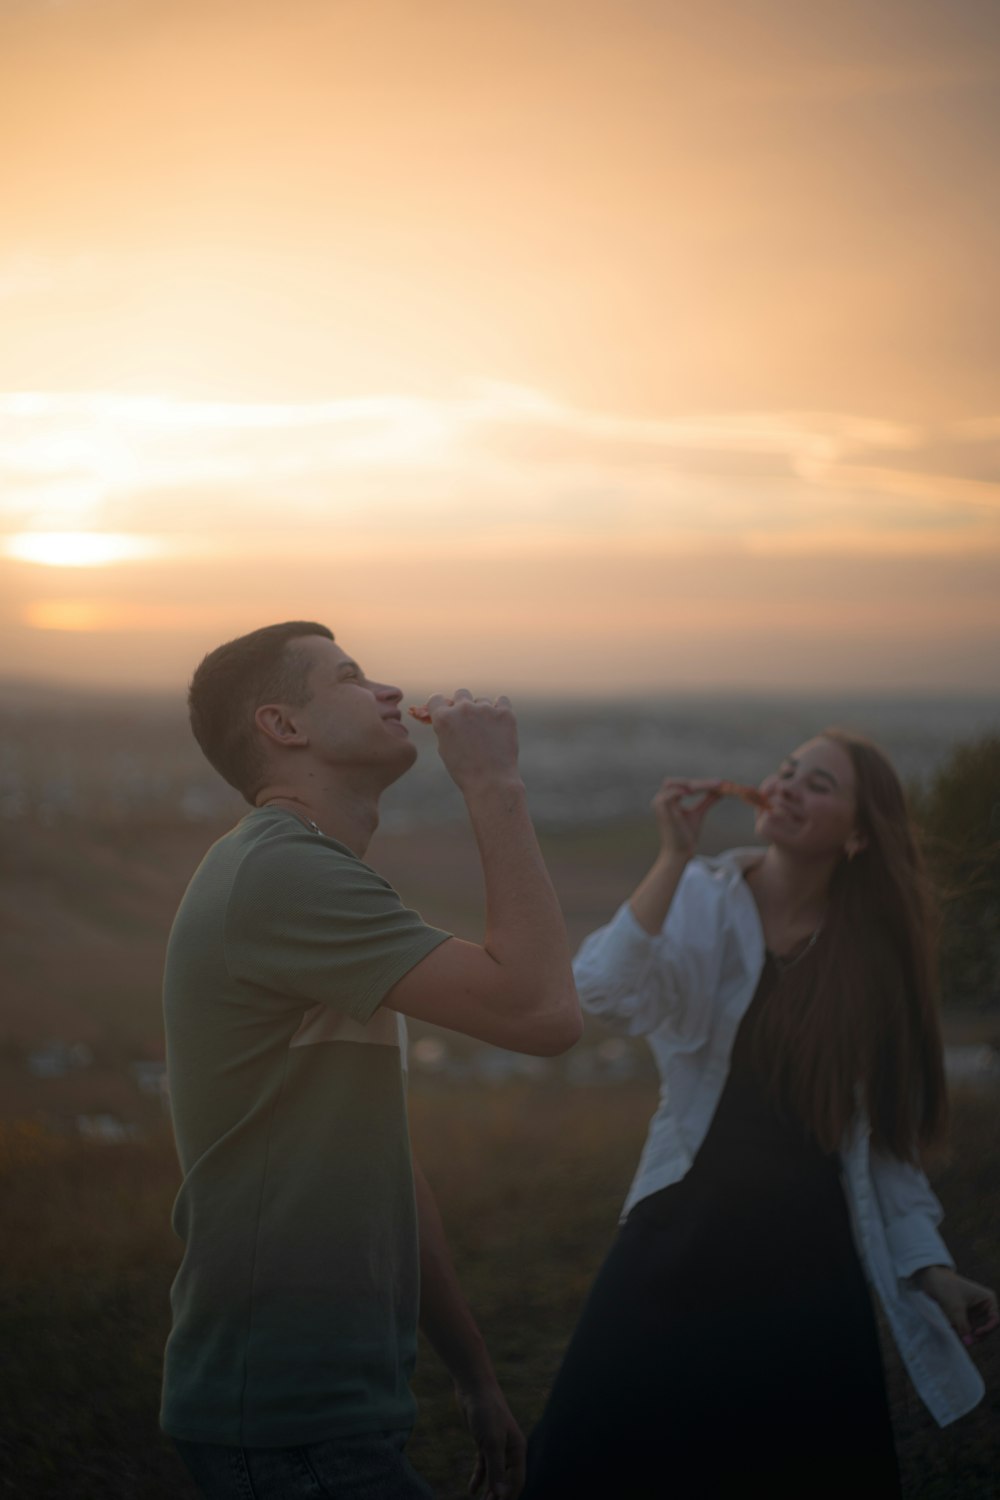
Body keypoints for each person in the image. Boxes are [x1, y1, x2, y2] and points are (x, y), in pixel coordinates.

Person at [160, 621, 581, 1500]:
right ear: (284, 727)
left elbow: (380, 1164)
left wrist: (472, 1376)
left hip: (323, 1411)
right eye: (351, 678)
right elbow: (541, 1011)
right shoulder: (280, 876)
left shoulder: (310, 876)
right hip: (285, 1417)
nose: (389, 691)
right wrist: (495, 782)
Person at [524, 730, 998, 1498]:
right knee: (587, 1456)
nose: (786, 787)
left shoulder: (872, 955)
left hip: (807, 1266)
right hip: (679, 1231)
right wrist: (672, 858)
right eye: (786, 771)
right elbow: (603, 995)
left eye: (817, 785)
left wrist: (931, 1268)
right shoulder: (703, 897)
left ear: (857, 835)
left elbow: (884, 1145)